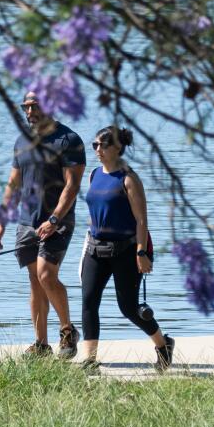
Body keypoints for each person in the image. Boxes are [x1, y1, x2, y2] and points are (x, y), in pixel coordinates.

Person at [0, 91, 85, 358]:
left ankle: (67, 331)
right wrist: (1, 223)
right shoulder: (22, 141)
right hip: (26, 222)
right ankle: (41, 344)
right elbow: (13, 184)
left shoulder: (69, 140)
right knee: (35, 281)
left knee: (46, 275)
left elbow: (73, 185)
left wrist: (54, 219)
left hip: (58, 221)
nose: (30, 112)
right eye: (26, 107)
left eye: (35, 106)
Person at [78, 125, 174, 371]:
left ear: (117, 148)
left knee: (129, 308)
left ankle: (163, 345)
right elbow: (97, 210)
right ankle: (89, 359)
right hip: (95, 249)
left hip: (126, 251)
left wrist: (141, 253)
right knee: (89, 301)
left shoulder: (129, 178)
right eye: (95, 145)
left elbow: (142, 219)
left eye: (102, 145)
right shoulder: (94, 174)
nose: (97, 150)